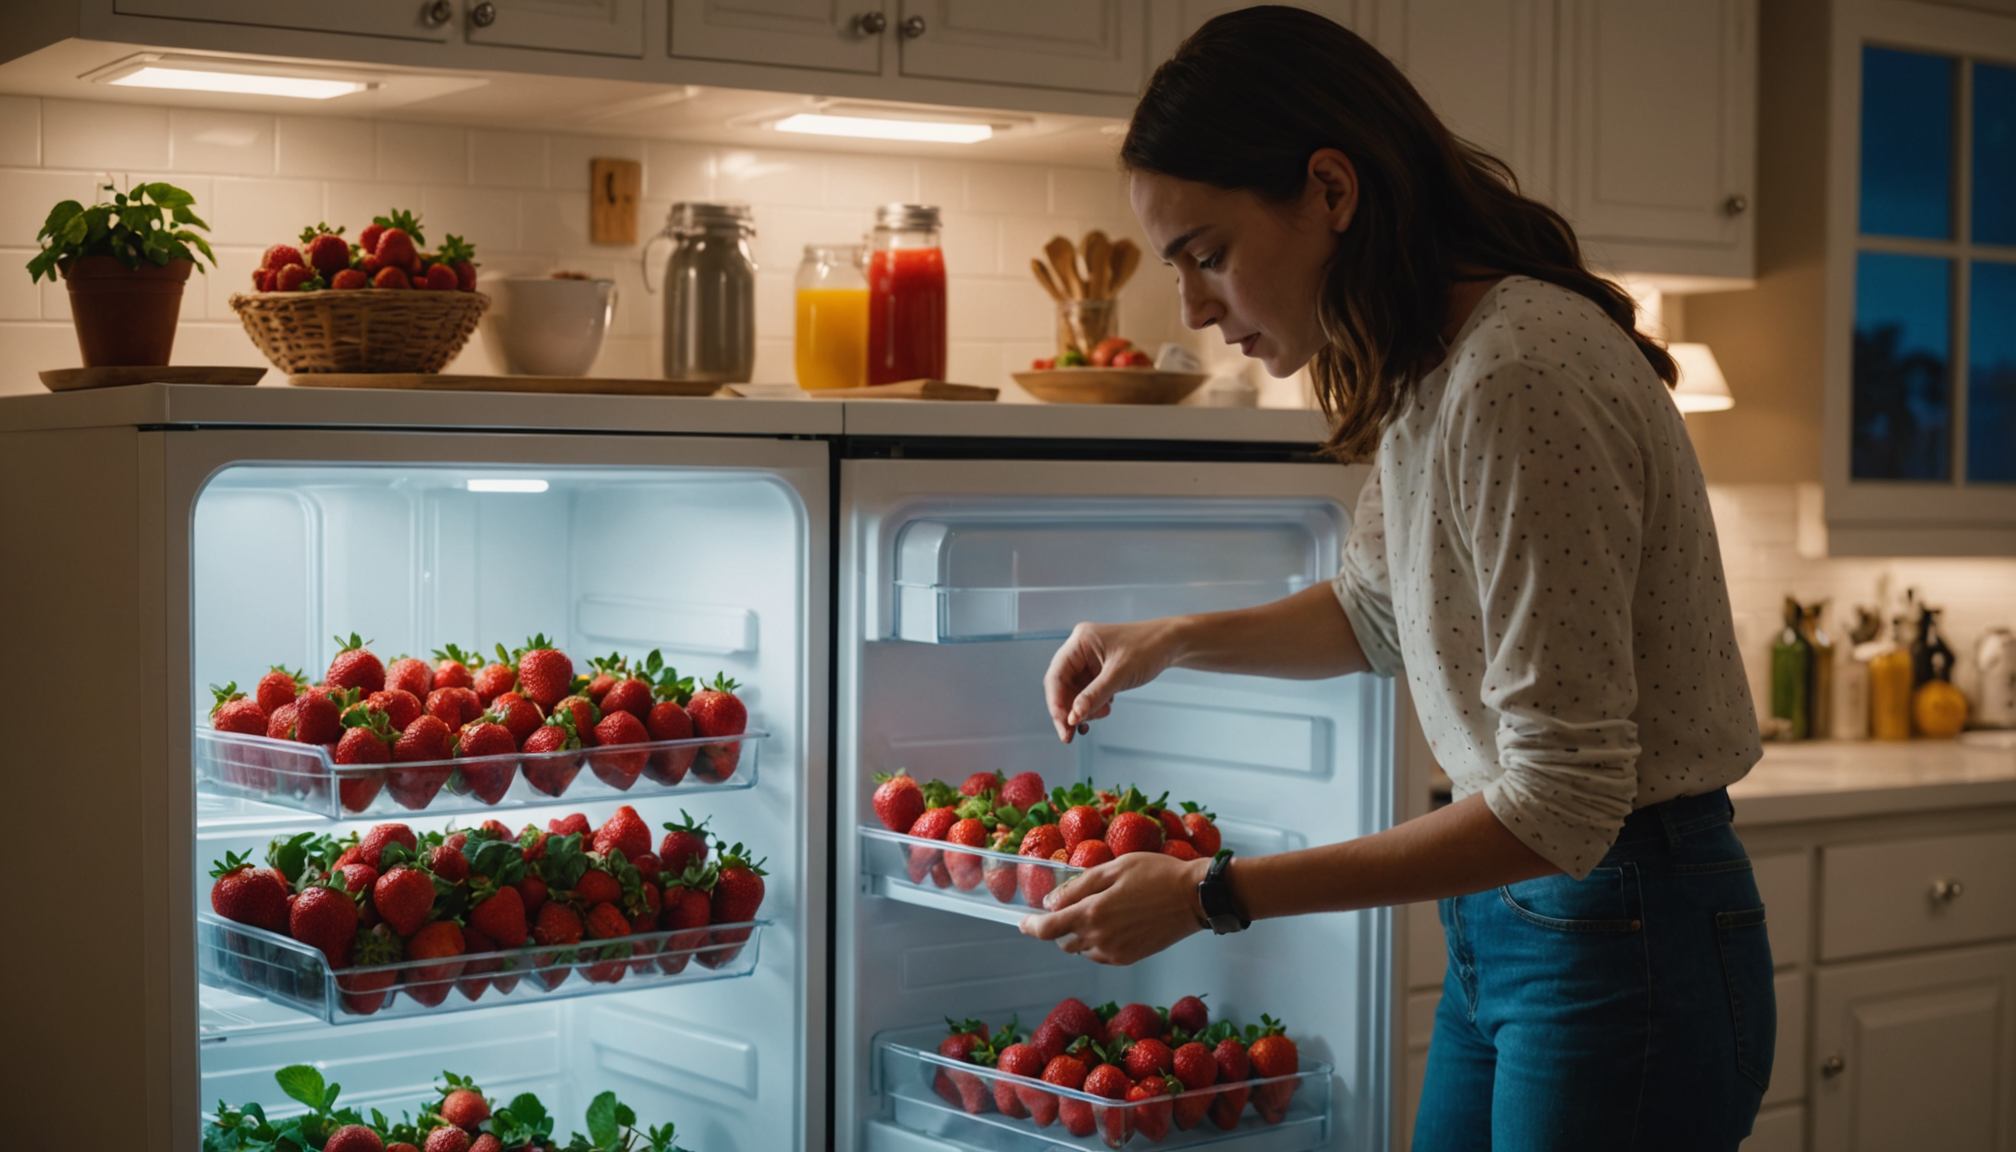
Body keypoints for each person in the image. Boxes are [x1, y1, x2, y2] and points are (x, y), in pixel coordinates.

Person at [1017, 8, 1774, 1150]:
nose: (1194, 310)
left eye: (1209, 255)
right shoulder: (1438, 362)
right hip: (1528, 921)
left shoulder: (1516, 374)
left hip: (1624, 928)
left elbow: (1564, 805)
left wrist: (1213, 894)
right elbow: (1381, 614)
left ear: (1331, 189)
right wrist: (1170, 637)